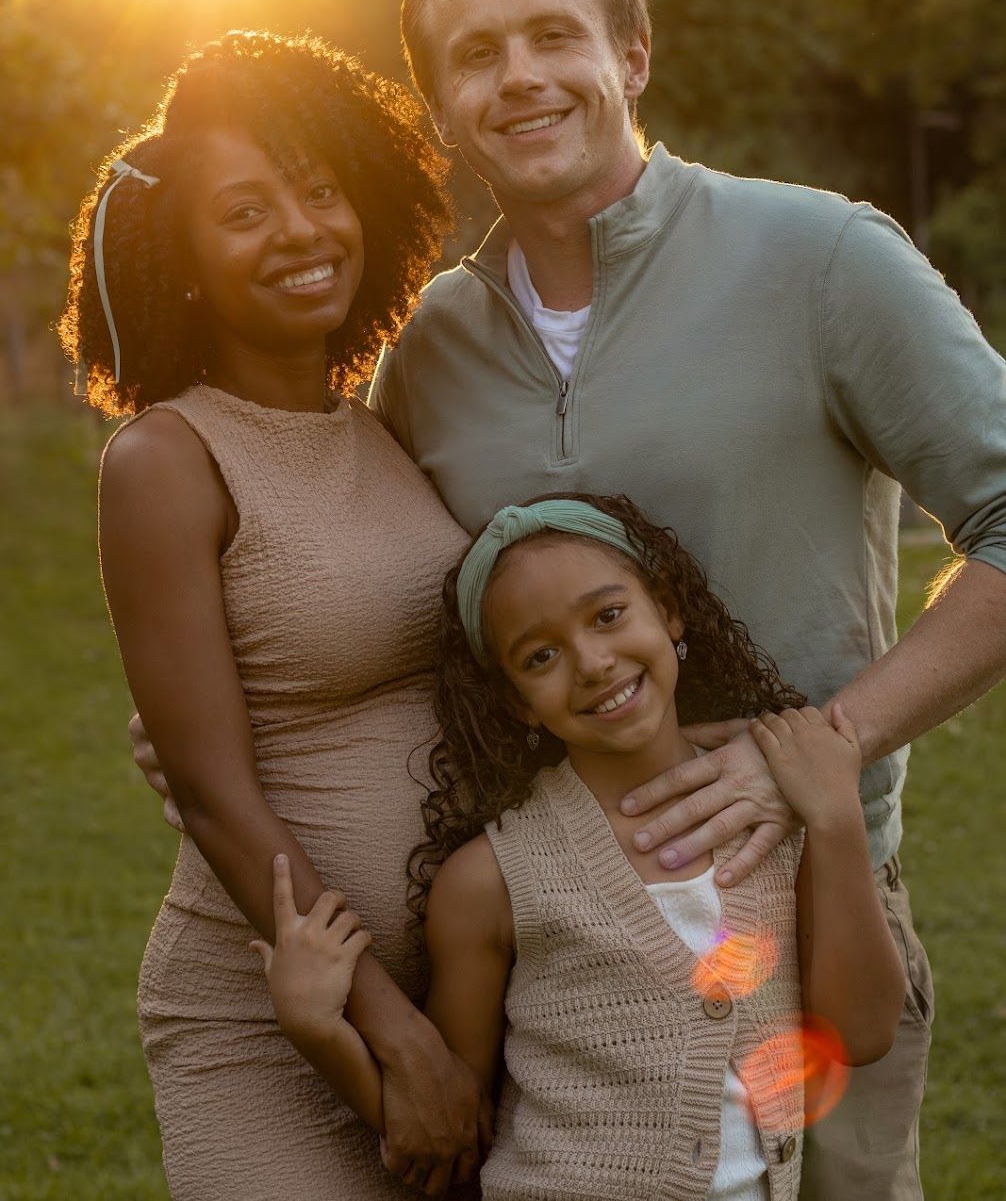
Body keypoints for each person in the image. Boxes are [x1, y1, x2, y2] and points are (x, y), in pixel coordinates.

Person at [132, 0, 1006, 1195]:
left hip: (803, 923)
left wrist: (816, 752)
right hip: (552, 956)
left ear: (630, 54)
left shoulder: (818, 257)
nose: (519, 77)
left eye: (553, 34)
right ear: (437, 105)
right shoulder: (428, 348)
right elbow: (397, 595)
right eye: (476, 55)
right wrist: (223, 731)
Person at [59, 30, 488, 1200]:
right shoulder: (167, 456)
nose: (303, 232)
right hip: (266, 1012)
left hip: (462, 997)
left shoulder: (380, 424)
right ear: (184, 258)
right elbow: (211, 787)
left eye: (317, 189)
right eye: (246, 212)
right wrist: (394, 1035)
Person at [253, 493, 907, 1201]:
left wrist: (836, 814)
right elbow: (450, 1128)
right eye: (540, 656)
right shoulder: (492, 879)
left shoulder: (780, 816)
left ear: (669, 611)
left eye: (608, 615)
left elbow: (861, 1033)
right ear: (515, 702)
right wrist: (317, 1029)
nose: (593, 662)